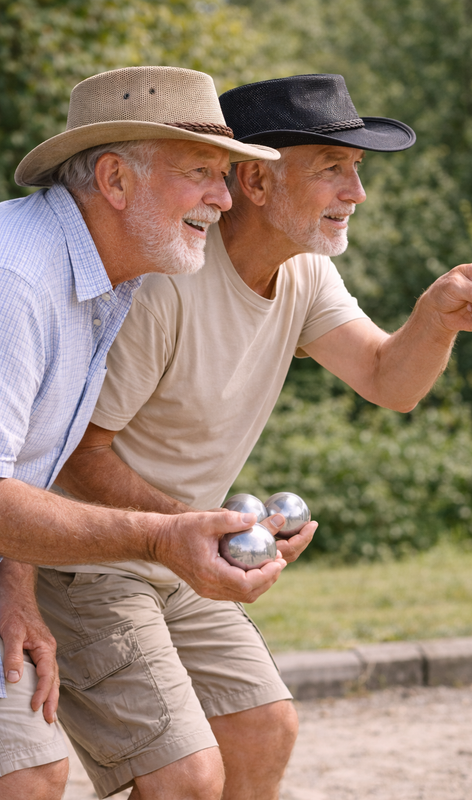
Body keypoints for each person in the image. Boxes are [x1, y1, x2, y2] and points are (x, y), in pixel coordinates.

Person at [51, 74, 472, 800]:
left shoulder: (302, 270)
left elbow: (386, 380)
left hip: (181, 555)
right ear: (256, 182)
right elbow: (77, 455)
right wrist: (193, 531)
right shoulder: (165, 284)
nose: (355, 194)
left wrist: (434, 317)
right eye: (331, 168)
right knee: (185, 776)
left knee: (263, 729)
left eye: (356, 171)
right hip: (91, 556)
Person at [0, 65, 283, 800]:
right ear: (115, 180)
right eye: (200, 173)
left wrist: (15, 589)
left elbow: (22, 460)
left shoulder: (113, 277)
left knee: (30, 770)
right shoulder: (18, 282)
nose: (223, 200)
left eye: (225, 176)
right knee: (26, 776)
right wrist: (161, 538)